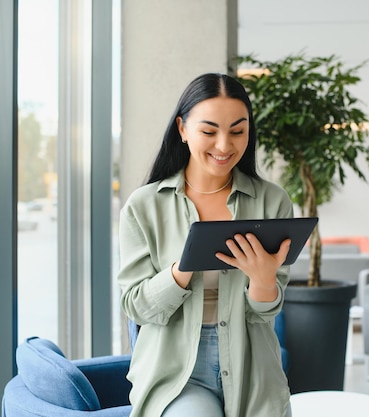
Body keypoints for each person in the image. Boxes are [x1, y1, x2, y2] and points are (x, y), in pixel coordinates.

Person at [117, 73, 294, 417]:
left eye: (238, 131)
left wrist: (262, 280)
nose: (225, 145)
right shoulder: (144, 206)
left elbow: (267, 311)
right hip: (175, 373)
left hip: (253, 368)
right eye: (209, 131)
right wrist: (183, 268)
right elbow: (135, 306)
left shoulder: (272, 202)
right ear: (182, 129)